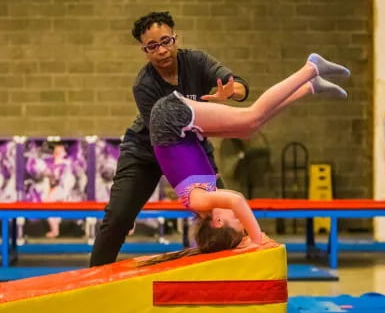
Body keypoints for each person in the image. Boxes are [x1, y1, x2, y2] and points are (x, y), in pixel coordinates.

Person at [89, 11, 250, 266]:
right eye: (152, 46)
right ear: (144, 50)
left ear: (176, 38)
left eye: (166, 41)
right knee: (118, 217)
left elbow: (238, 85)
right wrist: (187, 188)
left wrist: (232, 93)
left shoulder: (196, 61)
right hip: (145, 151)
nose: (161, 50)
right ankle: (92, 279)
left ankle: (227, 268)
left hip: (190, 145)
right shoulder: (143, 85)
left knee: (222, 212)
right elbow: (164, 137)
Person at [149, 53, 350, 252]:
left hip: (169, 119)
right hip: (181, 132)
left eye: (236, 219)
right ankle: (310, 86)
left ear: (218, 221)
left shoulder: (200, 201)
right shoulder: (204, 203)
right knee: (249, 129)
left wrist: (257, 238)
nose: (238, 215)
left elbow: (237, 200)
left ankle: (311, 68)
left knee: (251, 115)